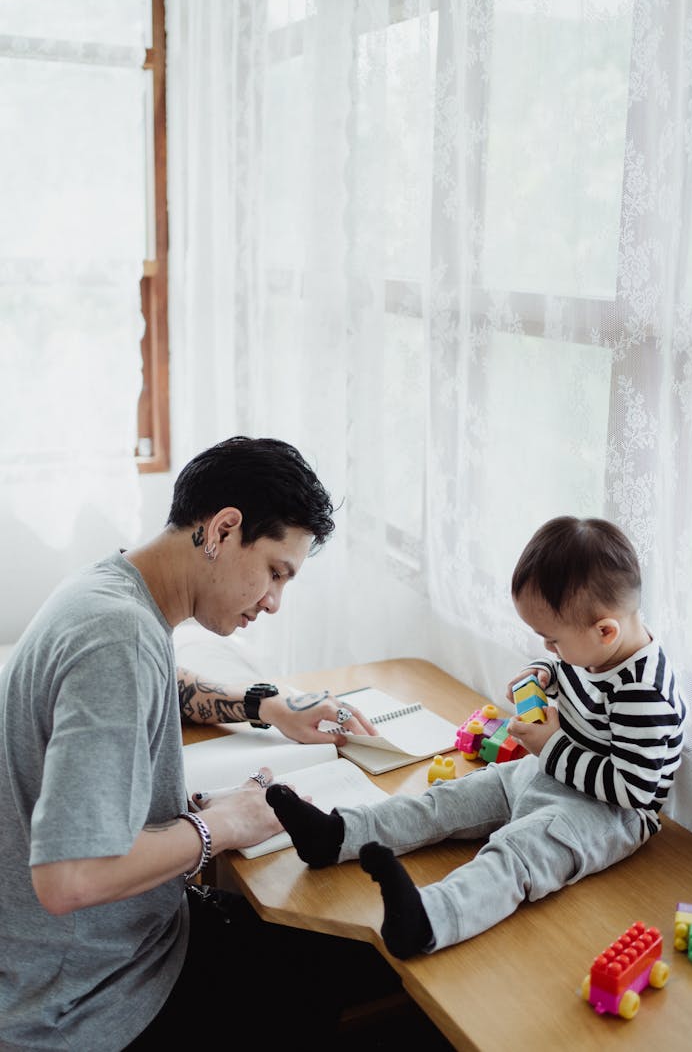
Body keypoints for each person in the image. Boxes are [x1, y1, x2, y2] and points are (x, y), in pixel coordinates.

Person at [0, 436, 402, 1052]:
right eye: (275, 572)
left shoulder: (114, 589)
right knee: (362, 958)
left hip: (87, 955)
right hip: (89, 995)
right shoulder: (119, 640)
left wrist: (264, 705)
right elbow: (69, 879)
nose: (273, 602)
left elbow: (162, 681)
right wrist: (222, 827)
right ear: (223, 528)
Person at [267, 515, 687, 958]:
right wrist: (543, 673)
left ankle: (430, 918)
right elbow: (572, 668)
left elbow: (634, 788)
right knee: (447, 801)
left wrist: (550, 747)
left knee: (516, 853)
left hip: (608, 814)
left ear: (605, 630)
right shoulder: (595, 648)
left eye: (551, 642)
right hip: (548, 771)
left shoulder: (645, 694)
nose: (549, 649)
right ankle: (337, 834)